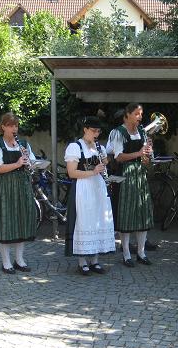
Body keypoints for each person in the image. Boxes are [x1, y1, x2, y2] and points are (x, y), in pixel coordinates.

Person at [0, 113, 37, 273]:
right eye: (11, 125)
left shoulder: (24, 144)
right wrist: (17, 163)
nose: (15, 129)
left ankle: (19, 259)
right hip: (5, 187)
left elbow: (32, 163)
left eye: (16, 126)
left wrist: (31, 163)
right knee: (5, 222)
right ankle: (6, 261)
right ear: (3, 126)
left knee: (22, 220)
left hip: (22, 185)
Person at [64, 116, 115, 275]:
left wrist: (104, 161)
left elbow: (104, 164)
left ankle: (95, 260)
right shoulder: (75, 146)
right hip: (83, 188)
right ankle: (82, 262)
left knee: (98, 221)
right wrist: (92, 171)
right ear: (85, 129)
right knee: (84, 222)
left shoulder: (98, 147)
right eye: (93, 131)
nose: (96, 134)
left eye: (98, 131)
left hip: (98, 187)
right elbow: (71, 172)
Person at [107, 103, 154, 267]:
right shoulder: (117, 132)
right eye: (136, 114)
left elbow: (146, 159)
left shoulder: (142, 131)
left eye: (141, 114)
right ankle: (126, 253)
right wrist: (139, 153)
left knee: (142, 212)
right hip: (125, 174)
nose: (140, 117)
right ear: (127, 115)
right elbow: (118, 156)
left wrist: (148, 154)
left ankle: (141, 252)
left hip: (140, 174)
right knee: (125, 214)